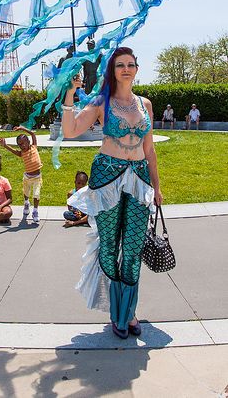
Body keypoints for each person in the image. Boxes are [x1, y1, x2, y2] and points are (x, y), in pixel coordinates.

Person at [62, 46, 163, 339]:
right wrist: (70, 93)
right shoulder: (101, 101)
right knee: (109, 246)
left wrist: (157, 187)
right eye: (121, 65)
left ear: (136, 68)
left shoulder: (145, 104)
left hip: (139, 178)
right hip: (107, 178)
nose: (126, 69)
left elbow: (150, 149)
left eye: (131, 64)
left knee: (132, 249)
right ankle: (116, 314)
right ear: (113, 70)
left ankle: (128, 313)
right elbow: (71, 131)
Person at [0, 126, 43, 223]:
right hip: (27, 177)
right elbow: (13, 151)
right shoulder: (21, 153)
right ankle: (26, 203)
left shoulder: (34, 146)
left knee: (36, 194)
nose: (22, 146)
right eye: (19, 145)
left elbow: (33, 134)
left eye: (23, 143)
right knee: (26, 193)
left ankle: (35, 211)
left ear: (28, 141)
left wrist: (22, 128)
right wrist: (5, 145)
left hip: (37, 178)